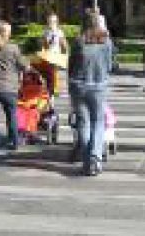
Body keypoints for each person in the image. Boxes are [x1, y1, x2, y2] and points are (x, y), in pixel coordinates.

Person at [68, 11, 114, 176]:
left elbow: (71, 65)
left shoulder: (78, 41)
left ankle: (88, 159)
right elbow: (110, 65)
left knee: (83, 122)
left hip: (78, 85)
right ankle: (95, 157)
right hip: (98, 86)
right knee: (98, 122)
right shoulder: (106, 41)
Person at [0, 20, 29, 163]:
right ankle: (13, 141)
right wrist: (28, 66)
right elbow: (24, 66)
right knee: (11, 116)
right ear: (5, 33)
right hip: (9, 89)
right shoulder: (13, 48)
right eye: (9, 31)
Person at [40, 13, 68, 96]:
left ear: (56, 22)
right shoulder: (45, 32)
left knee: (54, 72)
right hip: (47, 54)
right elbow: (43, 44)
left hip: (56, 54)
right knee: (49, 73)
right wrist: (44, 46)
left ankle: (53, 89)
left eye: (53, 21)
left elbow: (63, 43)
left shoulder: (59, 32)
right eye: (50, 21)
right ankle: (50, 88)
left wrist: (65, 52)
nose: (51, 23)